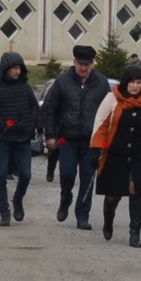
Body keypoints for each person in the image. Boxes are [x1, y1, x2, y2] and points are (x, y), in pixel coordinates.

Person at [90, 61, 141, 246]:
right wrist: (96, 149)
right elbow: (101, 125)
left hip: (139, 153)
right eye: (132, 82)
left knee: (136, 190)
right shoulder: (112, 98)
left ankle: (134, 234)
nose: (135, 86)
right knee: (114, 194)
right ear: (125, 82)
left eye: (139, 83)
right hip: (115, 152)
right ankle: (108, 221)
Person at [40, 45, 111, 229]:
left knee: (88, 178)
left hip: (91, 141)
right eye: (80, 64)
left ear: (92, 64)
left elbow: (108, 113)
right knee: (67, 174)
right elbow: (50, 109)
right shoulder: (62, 81)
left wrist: (105, 140)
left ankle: (82, 216)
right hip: (67, 139)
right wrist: (49, 135)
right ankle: (66, 198)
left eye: (87, 64)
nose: (83, 68)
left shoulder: (102, 83)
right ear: (74, 63)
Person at [0, 51, 39, 227]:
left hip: (23, 139)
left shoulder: (25, 87)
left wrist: (32, 126)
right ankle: (4, 212)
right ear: (6, 69)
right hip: (2, 139)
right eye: (14, 68)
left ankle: (18, 199)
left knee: (26, 175)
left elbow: (34, 108)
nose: (18, 72)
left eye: (19, 68)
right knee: (0, 177)